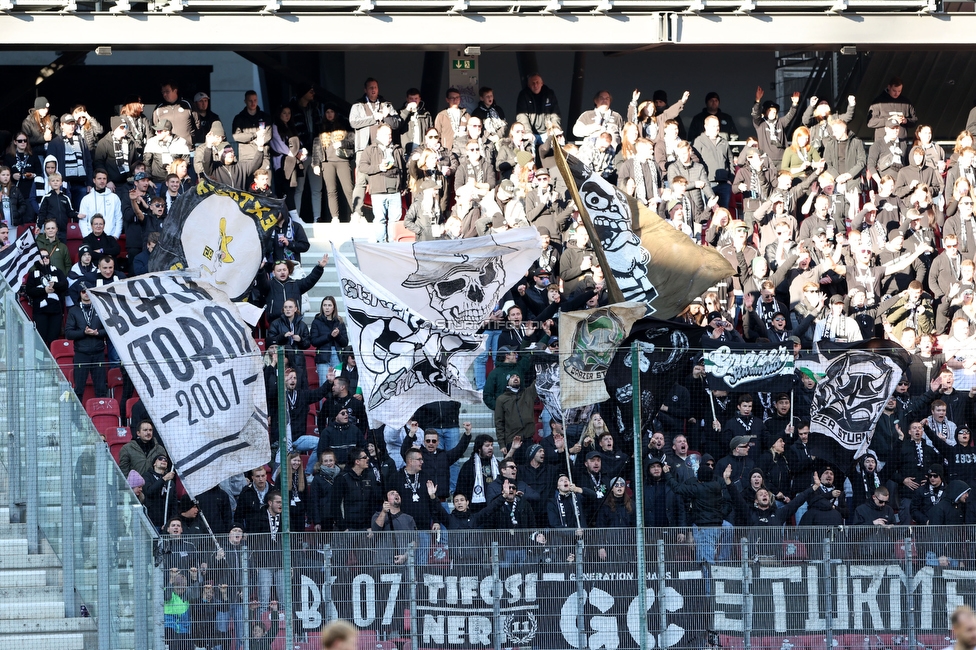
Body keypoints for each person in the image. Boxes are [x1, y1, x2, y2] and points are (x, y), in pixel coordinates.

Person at [357, 123, 405, 243]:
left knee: (395, 219)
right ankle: (382, 244)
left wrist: (403, 186)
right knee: (379, 219)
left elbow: (404, 169)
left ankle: (393, 243)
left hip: (395, 190)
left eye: (390, 134)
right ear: (378, 135)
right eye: (386, 134)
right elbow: (362, 167)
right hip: (378, 190)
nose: (389, 137)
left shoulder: (397, 149)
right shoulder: (370, 149)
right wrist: (378, 167)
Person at [65, 283, 107, 402]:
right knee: (79, 388)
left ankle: (101, 417)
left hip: (98, 353)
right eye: (83, 291)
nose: (86, 294)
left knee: (101, 388)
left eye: (88, 291)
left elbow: (109, 330)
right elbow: (68, 333)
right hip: (81, 354)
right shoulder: (74, 311)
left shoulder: (100, 307)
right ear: (79, 293)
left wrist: (97, 333)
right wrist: (84, 332)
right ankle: (75, 418)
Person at [24, 247, 67, 346]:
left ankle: (53, 360)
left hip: (56, 311)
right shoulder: (33, 274)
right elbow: (29, 291)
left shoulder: (57, 271)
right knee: (40, 340)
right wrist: (44, 290)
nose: (45, 258)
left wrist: (55, 285)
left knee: (53, 340)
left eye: (47, 256)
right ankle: (40, 361)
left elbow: (65, 285)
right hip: (40, 312)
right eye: (42, 256)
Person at [332, 447, 382, 531]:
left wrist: (370, 525)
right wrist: (343, 527)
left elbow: (371, 503)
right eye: (364, 457)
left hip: (365, 528)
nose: (368, 458)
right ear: (357, 461)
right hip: (347, 529)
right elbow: (335, 505)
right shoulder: (342, 478)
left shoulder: (369, 477)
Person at [515, 74, 561, 145]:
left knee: (558, 141)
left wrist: (555, 128)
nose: (535, 85)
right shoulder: (523, 96)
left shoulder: (549, 94)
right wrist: (528, 132)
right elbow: (522, 116)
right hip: (532, 132)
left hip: (547, 131)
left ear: (542, 83)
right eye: (533, 83)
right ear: (528, 85)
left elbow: (555, 113)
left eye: (537, 82)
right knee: (528, 145)